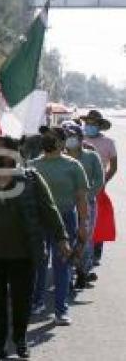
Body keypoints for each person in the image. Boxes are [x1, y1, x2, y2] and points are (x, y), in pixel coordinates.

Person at [0, 136, 68, 361]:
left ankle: (20, 339)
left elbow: (49, 209)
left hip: (23, 253)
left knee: (22, 300)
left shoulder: (31, 178)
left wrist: (62, 237)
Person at [29, 127, 89, 325]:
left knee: (62, 264)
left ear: (63, 143)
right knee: (38, 262)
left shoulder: (73, 166)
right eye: (46, 137)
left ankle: (61, 310)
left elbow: (81, 197)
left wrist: (83, 224)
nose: (48, 140)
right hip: (38, 220)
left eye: (53, 138)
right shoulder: (32, 165)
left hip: (65, 218)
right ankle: (36, 302)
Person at [63, 122, 104, 289]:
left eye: (73, 136)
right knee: (68, 238)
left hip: (88, 203)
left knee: (85, 238)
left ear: (80, 139)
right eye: (67, 137)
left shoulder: (92, 156)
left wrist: (86, 197)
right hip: (66, 204)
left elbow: (99, 180)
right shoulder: (61, 157)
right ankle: (69, 274)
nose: (70, 140)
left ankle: (82, 272)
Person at [80, 110, 117, 265]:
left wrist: (102, 182)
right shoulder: (78, 139)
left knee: (99, 219)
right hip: (79, 184)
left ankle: (96, 252)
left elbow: (113, 167)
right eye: (88, 123)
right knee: (81, 219)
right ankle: (79, 253)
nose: (90, 126)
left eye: (93, 124)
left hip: (98, 186)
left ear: (99, 126)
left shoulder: (108, 142)